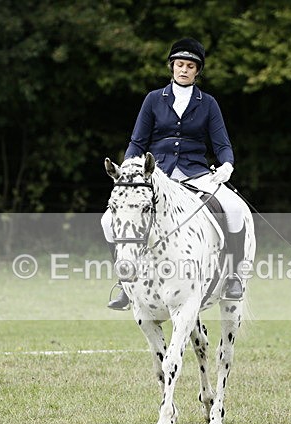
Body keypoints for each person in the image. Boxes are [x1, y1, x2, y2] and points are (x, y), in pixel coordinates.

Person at [102, 37, 249, 310]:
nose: (184, 69)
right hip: (158, 175)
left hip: (196, 172)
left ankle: (234, 276)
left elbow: (222, 144)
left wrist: (227, 164)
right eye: (179, 64)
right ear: (172, 67)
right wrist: (130, 167)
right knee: (107, 221)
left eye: (190, 66)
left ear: (197, 71)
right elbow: (137, 141)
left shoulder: (208, 103)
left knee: (234, 208)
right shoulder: (154, 99)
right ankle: (124, 283)